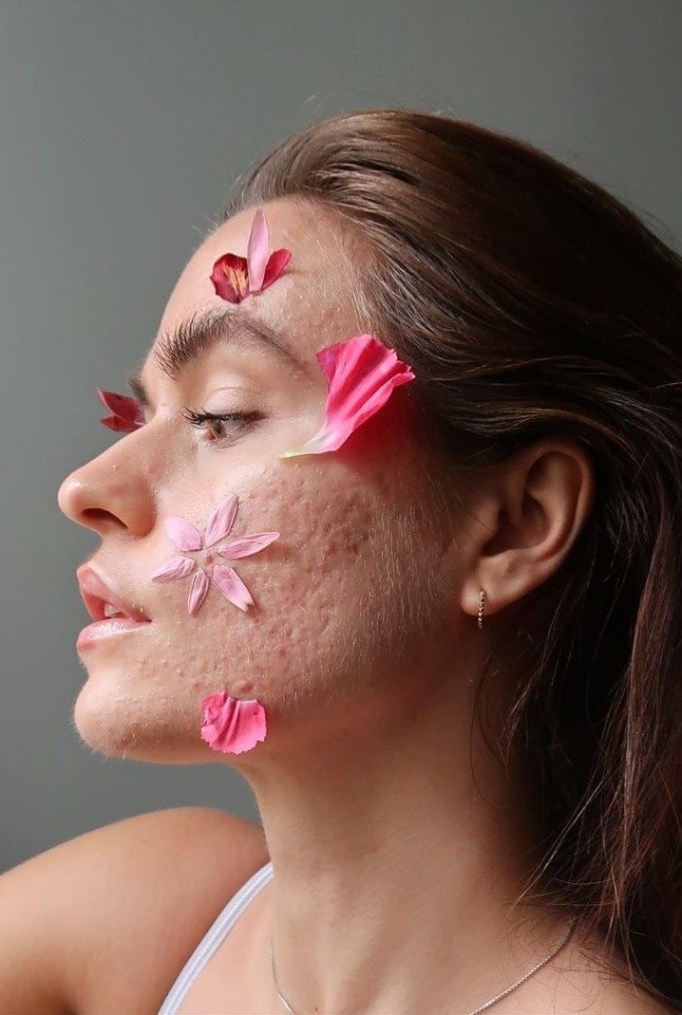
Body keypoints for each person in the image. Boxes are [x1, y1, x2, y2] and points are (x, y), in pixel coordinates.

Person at [1, 109, 680, 1015]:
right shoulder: (153, 919)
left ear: (515, 526)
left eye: (222, 416)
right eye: (143, 415)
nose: (86, 486)